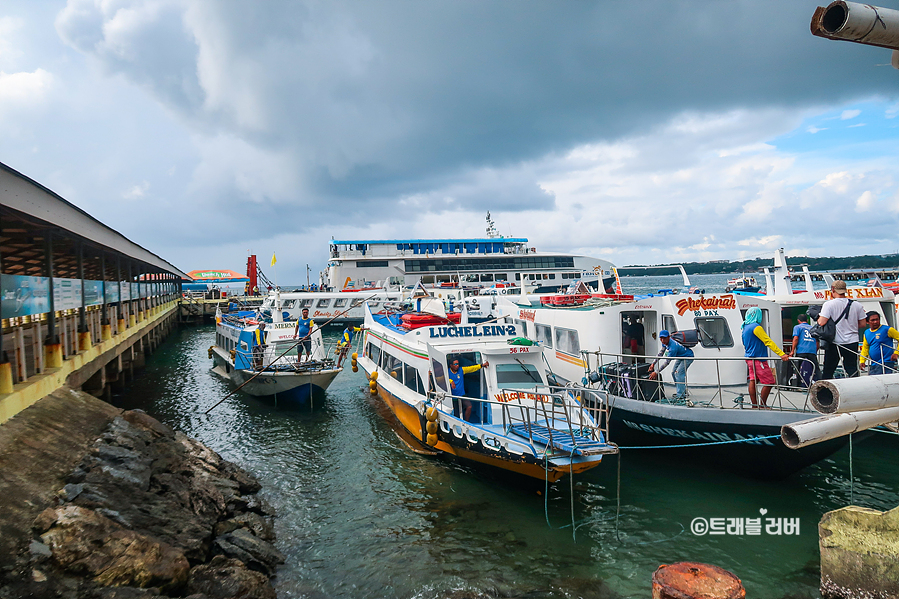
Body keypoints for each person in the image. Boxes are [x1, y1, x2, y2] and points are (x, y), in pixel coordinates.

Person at [742, 307, 790, 408]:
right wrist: (781, 353)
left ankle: (754, 405)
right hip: (758, 359)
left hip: (749, 358)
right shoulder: (756, 327)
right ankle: (763, 404)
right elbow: (768, 341)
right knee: (769, 381)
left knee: (753, 380)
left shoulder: (745, 327)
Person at [818, 280, 867, 379]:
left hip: (835, 342)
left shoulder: (829, 304)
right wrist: (850, 325)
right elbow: (863, 324)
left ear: (832, 290)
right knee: (852, 368)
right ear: (845, 290)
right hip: (852, 341)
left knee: (829, 369)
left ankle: (826, 393)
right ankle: (856, 390)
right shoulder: (857, 305)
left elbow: (821, 322)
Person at [647, 330, 693, 400]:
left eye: (664, 338)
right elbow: (661, 353)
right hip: (681, 356)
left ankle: (681, 395)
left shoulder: (673, 347)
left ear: (668, 337)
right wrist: (653, 363)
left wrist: (656, 372)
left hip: (688, 357)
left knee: (679, 373)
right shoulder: (665, 343)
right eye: (661, 338)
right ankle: (682, 391)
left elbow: (667, 362)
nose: (662, 340)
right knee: (673, 372)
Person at [448, 357, 489, 422]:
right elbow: (441, 378)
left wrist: (481, 365)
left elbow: (471, 369)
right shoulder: (447, 372)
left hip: (462, 394)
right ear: (451, 365)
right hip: (452, 397)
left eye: (458, 364)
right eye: (455, 364)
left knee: (469, 406)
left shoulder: (461, 370)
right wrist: (450, 381)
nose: (457, 365)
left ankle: (466, 422)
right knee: (456, 412)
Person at [860, 311, 899, 375]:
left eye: (877, 319)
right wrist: (862, 361)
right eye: (872, 320)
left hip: (886, 362)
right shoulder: (867, 332)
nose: (875, 322)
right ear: (867, 322)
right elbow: (865, 348)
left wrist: (896, 353)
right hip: (873, 364)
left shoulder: (887, 329)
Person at [789, 313, 819, 387]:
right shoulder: (813, 328)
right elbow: (817, 341)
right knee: (815, 368)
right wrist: (815, 350)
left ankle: (798, 384)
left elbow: (796, 338)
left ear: (798, 320)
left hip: (801, 351)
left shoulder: (797, 327)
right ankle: (819, 383)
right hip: (812, 351)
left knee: (798, 368)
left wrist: (792, 350)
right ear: (807, 320)